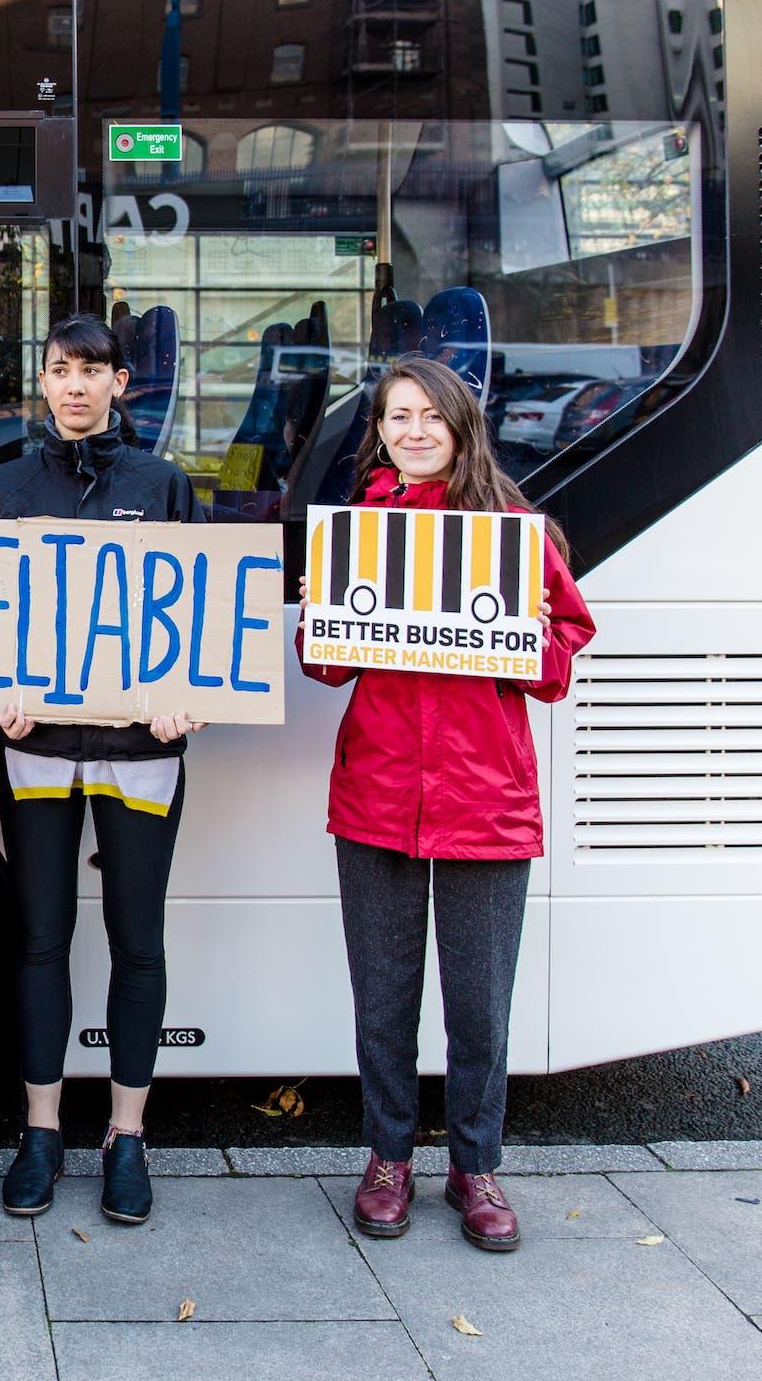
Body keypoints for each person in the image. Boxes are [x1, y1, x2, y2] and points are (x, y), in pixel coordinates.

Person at [299, 356, 595, 1252]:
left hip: (485, 800)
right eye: (397, 417)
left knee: (479, 1006)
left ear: (461, 426)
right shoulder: (359, 529)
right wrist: (320, 618)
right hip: (378, 793)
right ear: (379, 432)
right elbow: (328, 664)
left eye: (431, 415)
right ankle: (387, 1159)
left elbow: (560, 655)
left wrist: (525, 640)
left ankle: (476, 1166)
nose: (414, 430)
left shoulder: (510, 528)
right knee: (382, 998)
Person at [0, 312, 206, 1225]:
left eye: (91, 370)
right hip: (35, 750)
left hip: (142, 749)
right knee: (39, 937)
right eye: (59, 369)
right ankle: (40, 1131)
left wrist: (190, 698)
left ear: (120, 384)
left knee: (138, 938)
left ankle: (127, 1136)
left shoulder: (164, 485)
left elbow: (201, 619)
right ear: (42, 381)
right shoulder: (2, 487)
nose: (74, 385)